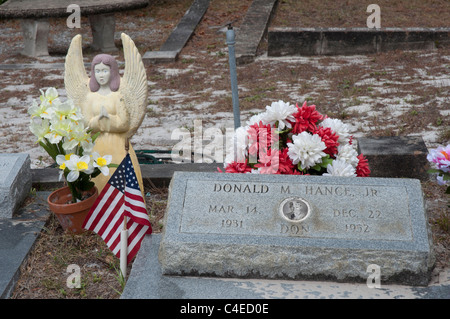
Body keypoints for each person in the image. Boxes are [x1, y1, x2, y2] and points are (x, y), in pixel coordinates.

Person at [81, 54, 144, 194]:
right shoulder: (89, 98)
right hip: (96, 143)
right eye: (97, 71)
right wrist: (98, 119)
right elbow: (85, 123)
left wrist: (108, 117)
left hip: (117, 145)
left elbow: (124, 124)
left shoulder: (118, 97)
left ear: (112, 72)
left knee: (119, 177)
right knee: (97, 178)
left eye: (104, 71)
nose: (101, 75)